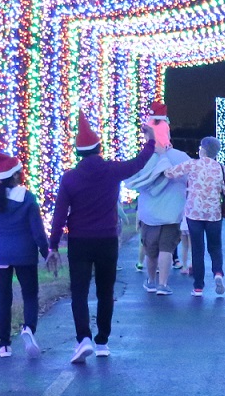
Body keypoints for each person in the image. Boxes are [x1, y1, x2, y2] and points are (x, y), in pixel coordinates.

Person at [47, 113, 158, 362]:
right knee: (105, 291)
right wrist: (150, 140)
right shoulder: (111, 170)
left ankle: (83, 338)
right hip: (107, 240)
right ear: (99, 148)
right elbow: (138, 163)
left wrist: (53, 245)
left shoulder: (70, 178)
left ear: (78, 152)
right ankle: (102, 341)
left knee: (79, 291)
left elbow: (60, 214)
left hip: (79, 242)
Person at [0, 150, 48, 357]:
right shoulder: (27, 198)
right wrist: (47, 253)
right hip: (24, 253)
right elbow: (37, 231)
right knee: (29, 295)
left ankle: (4, 345)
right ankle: (28, 328)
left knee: (4, 298)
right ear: (16, 176)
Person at [127, 101, 192, 296]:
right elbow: (190, 181)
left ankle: (151, 280)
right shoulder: (181, 157)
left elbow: (134, 179)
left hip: (149, 213)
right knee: (166, 249)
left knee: (151, 249)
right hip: (173, 212)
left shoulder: (143, 159)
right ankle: (163, 284)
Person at [159, 136, 225, 294]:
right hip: (214, 214)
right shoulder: (220, 167)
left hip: (194, 213)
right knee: (215, 246)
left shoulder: (192, 164)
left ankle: (198, 286)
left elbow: (169, 173)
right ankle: (218, 273)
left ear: (204, 149)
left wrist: (165, 155)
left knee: (197, 249)